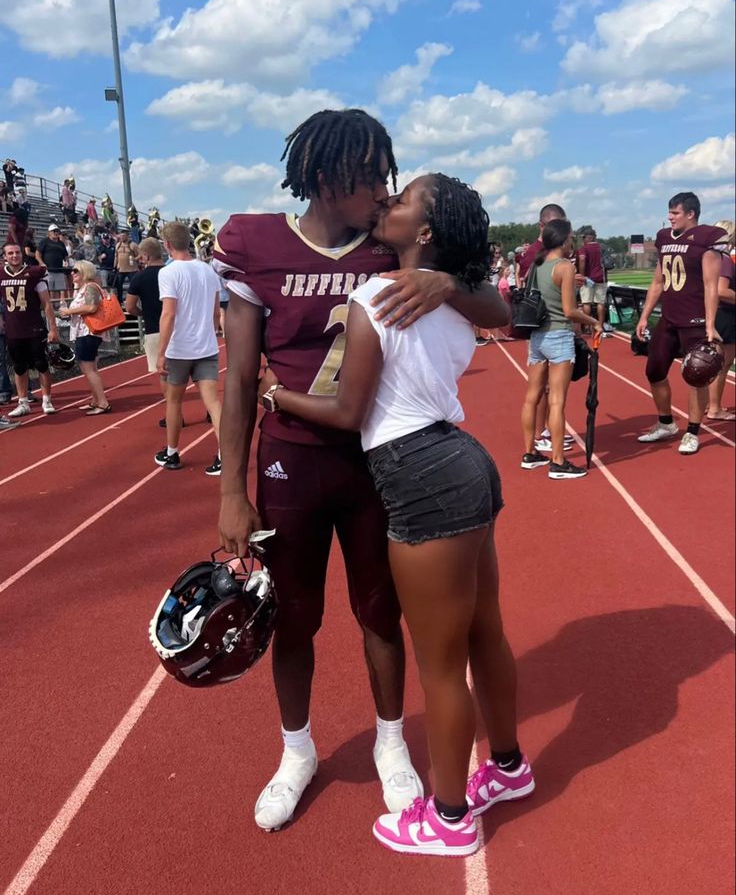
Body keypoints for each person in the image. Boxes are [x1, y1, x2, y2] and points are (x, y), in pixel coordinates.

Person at [214, 108, 505, 834]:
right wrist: (228, 490)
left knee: (382, 612)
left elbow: (498, 306)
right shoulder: (255, 243)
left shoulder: (389, 248)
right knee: (293, 617)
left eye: (388, 175)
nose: (384, 189)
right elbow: (243, 377)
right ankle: (295, 751)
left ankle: (388, 741)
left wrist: (444, 287)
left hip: (379, 461)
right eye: (371, 174)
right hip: (291, 461)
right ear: (324, 177)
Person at [256, 173, 532, 857]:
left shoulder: (374, 296)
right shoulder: (455, 301)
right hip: (464, 460)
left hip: (417, 472)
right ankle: (507, 766)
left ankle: (448, 817)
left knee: (440, 663)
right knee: (485, 632)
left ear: (427, 231)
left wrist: (279, 396)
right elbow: (500, 308)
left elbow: (349, 412)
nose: (389, 204)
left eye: (403, 200)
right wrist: (446, 282)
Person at [635, 192, 729, 455]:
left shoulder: (707, 238)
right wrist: (644, 316)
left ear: (691, 214)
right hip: (669, 318)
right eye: (669, 212)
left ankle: (692, 431)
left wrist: (710, 324)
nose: (670, 217)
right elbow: (658, 281)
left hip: (695, 319)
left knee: (697, 376)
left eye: (675, 213)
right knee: (654, 371)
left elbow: (712, 285)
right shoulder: (664, 238)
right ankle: (666, 423)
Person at [520, 219, 602, 478]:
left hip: (537, 336)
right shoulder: (564, 267)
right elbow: (569, 311)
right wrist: (593, 321)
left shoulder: (538, 263)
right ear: (565, 240)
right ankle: (558, 461)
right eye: (571, 240)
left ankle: (530, 453)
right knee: (557, 401)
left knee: (531, 398)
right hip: (558, 336)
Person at [154, 221, 222, 475]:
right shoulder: (208, 271)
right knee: (214, 403)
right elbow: (216, 313)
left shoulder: (168, 273)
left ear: (168, 244)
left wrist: (160, 353)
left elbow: (168, 314)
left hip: (179, 349)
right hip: (206, 346)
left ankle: (172, 453)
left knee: (174, 403)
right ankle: (224, 455)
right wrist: (208, 332)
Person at [1, 242, 59, 418]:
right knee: (19, 367)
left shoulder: (34, 273)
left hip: (34, 327)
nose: (14, 256)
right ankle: (23, 402)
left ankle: (47, 399)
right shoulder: (2, 274)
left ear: (22, 254)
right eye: (10, 253)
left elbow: (46, 303)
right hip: (13, 329)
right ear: (5, 257)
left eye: (17, 252)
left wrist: (53, 328)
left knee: (41, 364)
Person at [57, 260, 112, 415]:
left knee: (88, 368)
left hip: (88, 332)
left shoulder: (90, 287)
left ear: (84, 272)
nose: (72, 274)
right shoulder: (83, 288)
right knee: (90, 367)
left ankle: (102, 402)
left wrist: (68, 312)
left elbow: (91, 307)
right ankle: (96, 399)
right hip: (85, 332)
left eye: (76, 271)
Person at [125, 237, 167, 414]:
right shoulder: (172, 272)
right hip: (181, 328)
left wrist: (144, 314)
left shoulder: (139, 277)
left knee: (165, 374)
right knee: (195, 372)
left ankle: (174, 414)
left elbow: (130, 307)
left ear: (146, 256)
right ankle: (209, 410)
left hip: (155, 329)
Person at [706, 220, 735, 421]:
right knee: (723, 364)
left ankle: (712, 404)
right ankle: (715, 408)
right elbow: (721, 291)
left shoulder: (710, 257)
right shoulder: (724, 259)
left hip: (717, 314)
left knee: (717, 363)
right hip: (725, 315)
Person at [577, 226, 608, 332]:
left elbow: (582, 260)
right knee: (600, 303)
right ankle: (600, 325)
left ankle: (588, 326)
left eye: (584, 238)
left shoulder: (584, 248)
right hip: (601, 277)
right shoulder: (601, 247)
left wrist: (582, 275)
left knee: (586, 302)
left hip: (588, 278)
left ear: (588, 238)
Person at [36, 224, 70, 301]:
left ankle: (60, 304)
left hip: (59, 269)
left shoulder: (61, 243)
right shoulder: (44, 241)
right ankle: (51, 305)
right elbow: (38, 254)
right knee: (49, 289)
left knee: (61, 289)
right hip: (48, 270)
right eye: (54, 231)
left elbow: (65, 255)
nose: (56, 233)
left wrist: (67, 262)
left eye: (57, 231)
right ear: (49, 232)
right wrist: (42, 263)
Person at [113, 231, 139, 303]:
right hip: (121, 269)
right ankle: (120, 300)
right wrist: (114, 266)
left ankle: (134, 301)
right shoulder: (118, 245)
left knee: (134, 285)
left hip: (132, 269)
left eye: (123, 236)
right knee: (119, 286)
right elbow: (116, 256)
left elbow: (140, 254)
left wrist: (135, 259)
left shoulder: (133, 245)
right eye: (121, 236)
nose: (122, 237)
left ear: (127, 236)